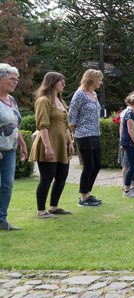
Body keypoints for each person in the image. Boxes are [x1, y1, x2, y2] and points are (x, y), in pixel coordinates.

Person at [29, 72, 74, 218]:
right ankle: (41, 211)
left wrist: (70, 142)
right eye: (61, 81)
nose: (64, 83)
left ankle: (54, 207)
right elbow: (42, 125)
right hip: (48, 142)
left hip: (62, 144)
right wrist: (48, 146)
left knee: (62, 176)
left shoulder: (60, 101)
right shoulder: (43, 101)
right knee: (47, 178)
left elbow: (65, 125)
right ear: (52, 82)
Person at [69, 69, 103, 207]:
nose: (101, 82)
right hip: (83, 134)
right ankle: (83, 198)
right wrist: (74, 133)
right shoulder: (80, 94)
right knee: (88, 166)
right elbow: (72, 115)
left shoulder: (94, 94)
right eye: (99, 79)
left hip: (95, 134)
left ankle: (88, 193)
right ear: (91, 79)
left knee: (97, 165)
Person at [0, 64, 28, 230]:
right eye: (11, 79)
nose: (15, 82)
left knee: (7, 185)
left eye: (16, 79)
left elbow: (14, 125)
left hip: (10, 149)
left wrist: (23, 144)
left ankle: (2, 220)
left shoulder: (12, 100)